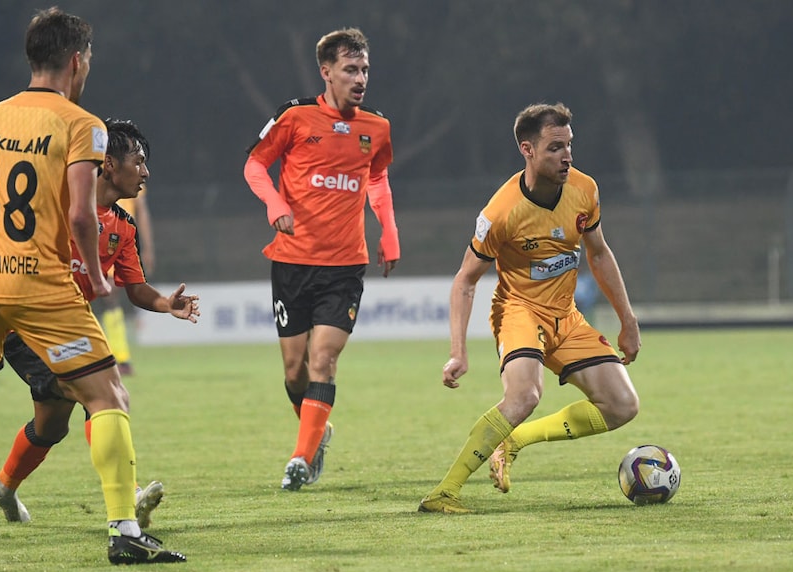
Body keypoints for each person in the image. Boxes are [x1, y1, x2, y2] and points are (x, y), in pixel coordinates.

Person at [0, 8, 184, 567]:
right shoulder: (82, 124)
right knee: (108, 396)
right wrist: (97, 274)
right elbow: (82, 214)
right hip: (37, 282)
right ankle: (124, 531)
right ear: (77, 61)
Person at [418, 103, 641, 514]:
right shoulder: (501, 212)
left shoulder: (585, 190)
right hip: (519, 310)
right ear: (528, 150)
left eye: (569, 145)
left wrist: (628, 320)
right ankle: (444, 493)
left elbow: (599, 253)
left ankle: (515, 440)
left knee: (622, 405)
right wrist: (457, 351)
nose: (567, 156)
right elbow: (465, 280)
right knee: (524, 396)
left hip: (566, 316)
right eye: (555, 148)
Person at [243, 27, 400, 490]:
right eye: (351, 69)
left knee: (323, 359)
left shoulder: (377, 127)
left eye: (365, 69)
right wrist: (275, 203)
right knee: (295, 372)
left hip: (345, 266)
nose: (360, 78)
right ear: (326, 72)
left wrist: (388, 230)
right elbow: (254, 164)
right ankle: (318, 432)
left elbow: (377, 178)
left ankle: (300, 458)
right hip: (292, 262)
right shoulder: (294, 117)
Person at [98, 189, 156, 377]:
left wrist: (147, 248)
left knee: (111, 296)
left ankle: (119, 358)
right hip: (101, 237)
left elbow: (142, 211)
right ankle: (117, 358)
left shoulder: (134, 177)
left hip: (123, 240)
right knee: (108, 296)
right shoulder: (97, 175)